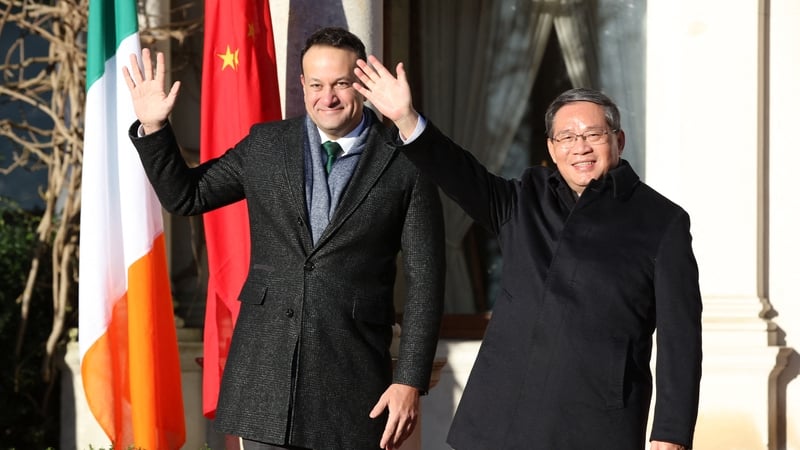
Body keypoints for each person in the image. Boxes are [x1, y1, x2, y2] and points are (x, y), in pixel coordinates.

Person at [352, 56, 702, 450]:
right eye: (567, 138)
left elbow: (681, 339)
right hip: (504, 417)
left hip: (597, 421)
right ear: (552, 149)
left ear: (618, 141)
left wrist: (670, 434)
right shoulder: (526, 198)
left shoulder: (661, 221)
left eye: (593, 135)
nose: (580, 147)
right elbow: (461, 173)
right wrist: (406, 119)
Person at [121, 28, 446, 450]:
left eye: (340, 84)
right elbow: (187, 195)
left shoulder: (407, 161)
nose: (326, 97)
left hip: (354, 384)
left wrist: (409, 381)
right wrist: (154, 126)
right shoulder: (266, 146)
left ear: (363, 82)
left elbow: (426, 280)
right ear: (302, 86)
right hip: (265, 380)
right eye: (315, 85)